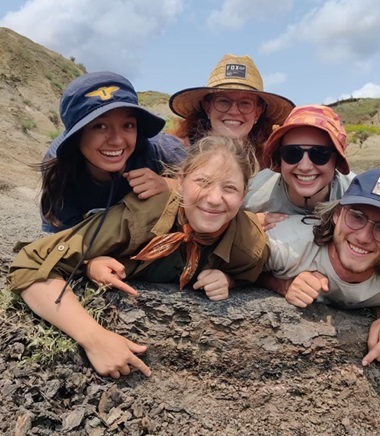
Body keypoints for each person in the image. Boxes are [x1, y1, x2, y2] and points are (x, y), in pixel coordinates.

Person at [8, 134, 270, 379]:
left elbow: (257, 275)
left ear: (244, 195)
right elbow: (31, 263)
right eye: (202, 182)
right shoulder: (141, 215)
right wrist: (94, 337)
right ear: (180, 181)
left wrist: (229, 279)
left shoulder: (249, 241)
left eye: (230, 188)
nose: (214, 199)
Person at [260, 168, 380, 365]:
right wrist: (282, 284)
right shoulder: (285, 244)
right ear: (337, 214)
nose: (363, 237)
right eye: (357, 216)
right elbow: (237, 272)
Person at [39, 71, 187, 232]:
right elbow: (61, 243)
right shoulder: (58, 169)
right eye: (100, 126)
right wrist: (93, 258)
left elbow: (212, 188)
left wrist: (171, 185)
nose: (117, 141)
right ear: (77, 136)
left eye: (128, 125)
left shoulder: (162, 151)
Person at [168, 53, 295, 167]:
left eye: (245, 103)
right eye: (223, 101)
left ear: (257, 113)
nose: (234, 111)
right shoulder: (173, 156)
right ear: (208, 108)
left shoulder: (275, 164)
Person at [243, 104, 355, 229]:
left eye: (319, 154)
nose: (304, 166)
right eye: (292, 153)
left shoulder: (356, 194)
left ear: (337, 161)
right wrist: (243, 226)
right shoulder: (251, 195)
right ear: (280, 158)